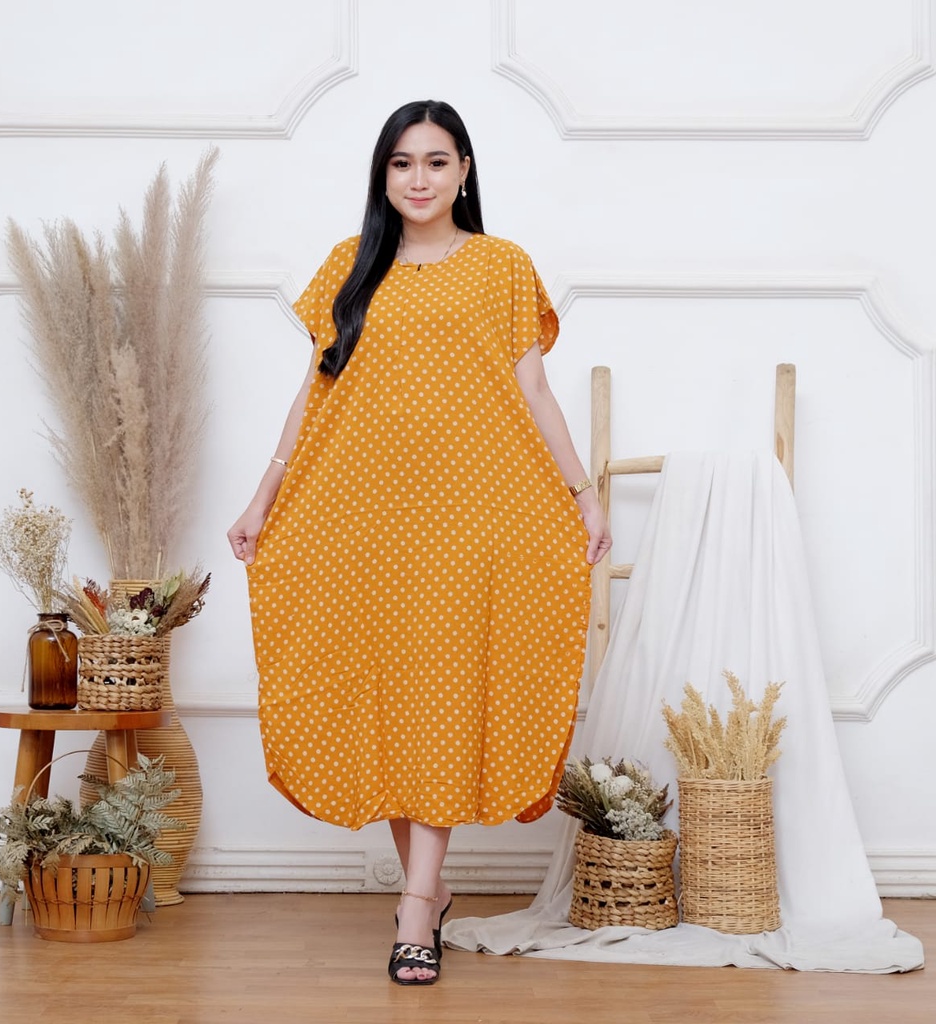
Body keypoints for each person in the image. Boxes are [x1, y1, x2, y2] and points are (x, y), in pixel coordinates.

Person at [228, 99, 611, 986]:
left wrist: (582, 493)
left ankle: (413, 908)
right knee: (399, 703)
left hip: (471, 516)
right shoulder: (349, 266)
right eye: (402, 163)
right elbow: (314, 393)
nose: (419, 178)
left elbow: (535, 391)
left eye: (437, 161)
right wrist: (262, 497)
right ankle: (427, 893)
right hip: (364, 517)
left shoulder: (501, 266)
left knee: (438, 693)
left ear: (465, 170)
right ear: (383, 174)